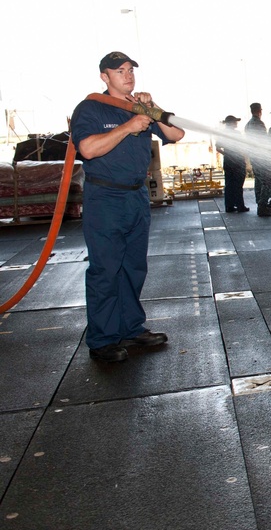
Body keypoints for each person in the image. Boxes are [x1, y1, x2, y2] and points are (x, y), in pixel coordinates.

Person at [69, 51, 186, 362]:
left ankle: (131, 328)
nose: (128, 76)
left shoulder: (140, 107)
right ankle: (103, 340)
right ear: (105, 77)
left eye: (130, 70)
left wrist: (154, 109)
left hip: (136, 197)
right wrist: (128, 127)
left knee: (133, 267)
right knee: (106, 270)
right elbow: (88, 149)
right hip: (105, 198)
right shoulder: (91, 107)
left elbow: (177, 133)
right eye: (119, 71)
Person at [246, 102, 271, 216]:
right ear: (260, 111)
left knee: (259, 181)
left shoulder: (248, 124)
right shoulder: (258, 124)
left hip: (254, 158)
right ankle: (262, 206)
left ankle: (260, 203)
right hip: (261, 158)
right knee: (269, 181)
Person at [219, 115, 250, 213]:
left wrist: (227, 154)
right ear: (231, 123)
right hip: (237, 161)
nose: (236, 123)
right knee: (238, 184)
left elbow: (218, 148)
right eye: (235, 122)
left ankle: (229, 206)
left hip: (227, 161)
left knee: (229, 184)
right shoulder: (237, 134)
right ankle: (240, 206)